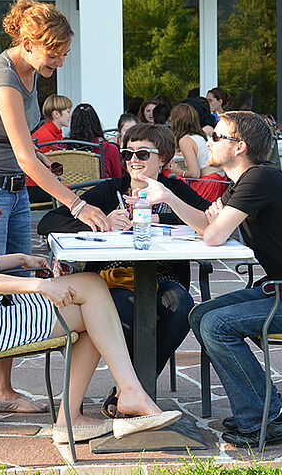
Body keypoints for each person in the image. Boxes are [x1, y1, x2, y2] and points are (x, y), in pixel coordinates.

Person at [0, 127, 180, 442]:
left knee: (93, 296)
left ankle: (96, 407)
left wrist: (20, 259)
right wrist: (40, 287)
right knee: (94, 300)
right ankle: (114, 400)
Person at [137, 111, 282, 448]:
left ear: (240, 147)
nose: (208, 141)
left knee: (217, 324)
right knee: (200, 315)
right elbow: (209, 229)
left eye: (217, 137)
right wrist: (167, 197)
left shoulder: (260, 179)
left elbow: (212, 237)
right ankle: (257, 407)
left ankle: (268, 416)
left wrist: (197, 211)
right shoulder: (247, 183)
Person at [0, 0, 108, 422]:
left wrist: (48, 162)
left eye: (64, 54)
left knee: (13, 285)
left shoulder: (30, 73)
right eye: (54, 53)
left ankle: (0, 390)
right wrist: (76, 203)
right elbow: (24, 156)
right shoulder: (3, 79)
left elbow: (24, 144)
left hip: (14, 190)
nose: (59, 62)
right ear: (27, 42)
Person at [37, 124, 209, 415]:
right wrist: (98, 219)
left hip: (164, 278)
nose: (133, 160)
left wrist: (166, 222)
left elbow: (209, 223)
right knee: (122, 309)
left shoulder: (175, 192)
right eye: (128, 152)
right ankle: (133, 392)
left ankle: (127, 390)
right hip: (110, 281)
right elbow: (48, 222)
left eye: (143, 153)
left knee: (181, 305)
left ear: (163, 158)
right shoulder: (111, 190)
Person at [170, 103, 228, 202]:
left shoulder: (185, 140)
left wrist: (178, 171)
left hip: (208, 183)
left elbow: (195, 173)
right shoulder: (203, 135)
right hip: (220, 179)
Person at [26, 94, 73, 204]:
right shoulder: (46, 137)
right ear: (56, 114)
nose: (70, 116)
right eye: (68, 112)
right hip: (36, 188)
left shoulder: (55, 133)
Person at [67, 103, 122, 179]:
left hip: (70, 190)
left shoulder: (64, 147)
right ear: (96, 122)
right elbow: (117, 179)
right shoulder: (110, 149)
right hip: (101, 190)